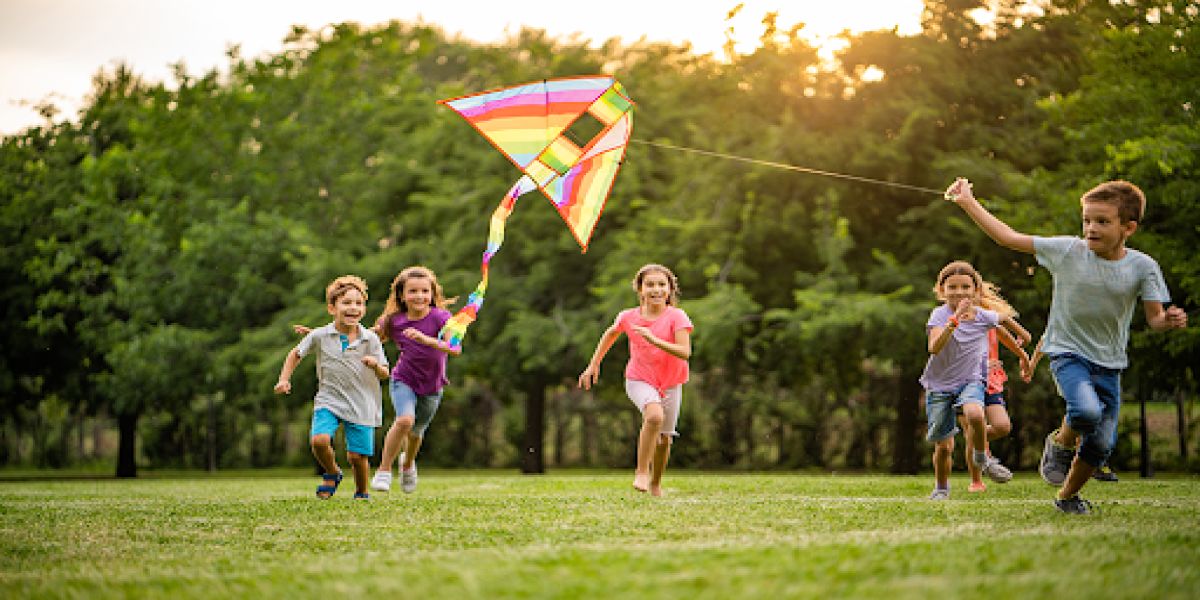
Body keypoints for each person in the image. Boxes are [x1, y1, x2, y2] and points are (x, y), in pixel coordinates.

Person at [947, 178, 1187, 513]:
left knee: (1102, 443)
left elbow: (1154, 318)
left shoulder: (1143, 267)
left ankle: (1067, 496)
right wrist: (968, 202)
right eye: (1087, 220)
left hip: (1110, 362)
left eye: (1102, 222)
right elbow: (1008, 237)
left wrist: (1169, 320)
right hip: (1066, 351)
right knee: (1086, 411)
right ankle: (1059, 444)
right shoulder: (1068, 251)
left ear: (1128, 227)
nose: (1091, 228)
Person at [578, 264, 693, 497]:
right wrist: (594, 364)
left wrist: (653, 339)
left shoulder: (677, 317)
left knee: (664, 440)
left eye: (662, 285)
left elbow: (684, 351)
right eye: (650, 284)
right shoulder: (628, 317)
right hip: (639, 379)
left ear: (670, 289)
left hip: (671, 382)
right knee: (654, 416)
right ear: (640, 289)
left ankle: (656, 484)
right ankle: (641, 472)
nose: (656, 290)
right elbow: (610, 334)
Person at [275, 275, 389, 500]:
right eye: (346, 303)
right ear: (332, 308)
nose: (353, 308)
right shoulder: (320, 335)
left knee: (357, 456)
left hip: (361, 402)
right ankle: (332, 472)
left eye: (358, 303)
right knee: (319, 440)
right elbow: (296, 354)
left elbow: (385, 372)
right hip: (330, 399)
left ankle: (361, 492)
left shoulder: (370, 339)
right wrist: (284, 379)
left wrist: (375, 365)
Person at [921, 261, 1022, 500]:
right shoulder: (939, 315)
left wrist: (1024, 352)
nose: (959, 292)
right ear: (941, 289)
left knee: (976, 416)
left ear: (975, 290)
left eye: (965, 287)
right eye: (952, 287)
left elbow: (1005, 323)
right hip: (940, 385)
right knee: (944, 447)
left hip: (971, 379)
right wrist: (953, 321)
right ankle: (941, 488)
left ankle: (980, 457)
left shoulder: (981, 315)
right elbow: (934, 348)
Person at [369, 266, 459, 494]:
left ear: (432, 294)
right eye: (413, 291)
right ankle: (384, 470)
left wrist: (425, 339)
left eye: (424, 291)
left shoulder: (442, 317)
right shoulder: (393, 321)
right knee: (405, 421)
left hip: (433, 385)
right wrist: (326, 335)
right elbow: (366, 338)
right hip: (403, 379)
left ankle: (407, 464)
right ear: (402, 295)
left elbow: (454, 348)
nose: (419, 296)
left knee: (417, 433)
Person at [960, 284, 1032, 492]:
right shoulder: (952, 322)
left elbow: (1008, 336)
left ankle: (979, 445)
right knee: (973, 425)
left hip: (990, 382)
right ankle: (976, 481)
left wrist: (1024, 357)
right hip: (963, 381)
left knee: (1002, 427)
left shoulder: (989, 319)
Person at [1023, 339, 1119, 482]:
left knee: (1097, 408)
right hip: (1068, 365)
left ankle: (1088, 462)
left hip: (1094, 364)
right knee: (1082, 407)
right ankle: (1063, 448)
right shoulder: (1065, 320)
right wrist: (1032, 364)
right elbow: (1046, 338)